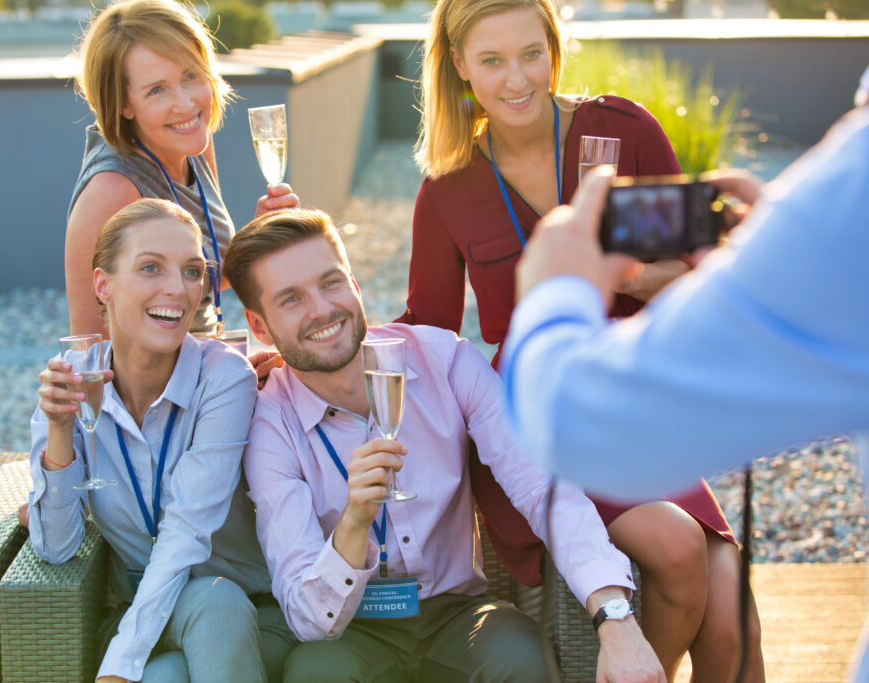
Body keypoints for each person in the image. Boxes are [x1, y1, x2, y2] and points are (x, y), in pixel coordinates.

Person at [396, 0, 761, 678]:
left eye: (531, 54)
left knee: (732, 614)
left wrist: (625, 271)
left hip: (633, 395)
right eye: (493, 61)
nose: (517, 81)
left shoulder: (620, 133)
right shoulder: (449, 187)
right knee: (680, 552)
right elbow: (428, 337)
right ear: (459, 66)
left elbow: (697, 274)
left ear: (554, 47)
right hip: (537, 414)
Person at [501, 102, 869, 679]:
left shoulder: (854, 190)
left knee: (730, 616)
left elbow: (574, 423)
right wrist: (764, 273)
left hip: (593, 397)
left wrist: (556, 291)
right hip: (547, 429)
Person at [222, 208, 665, 682]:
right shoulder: (270, 424)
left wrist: (616, 619)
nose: (322, 309)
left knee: (524, 664)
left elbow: (544, 489)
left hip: (461, 614)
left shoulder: (445, 360)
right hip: (352, 629)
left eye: (331, 282)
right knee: (316, 674)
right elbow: (308, 619)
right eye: (291, 299)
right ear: (260, 326)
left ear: (353, 281)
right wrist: (353, 523)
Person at [29, 199, 295, 682]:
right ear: (102, 285)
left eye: (192, 271)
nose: (178, 288)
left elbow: (186, 531)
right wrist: (59, 429)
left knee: (179, 656)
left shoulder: (222, 379)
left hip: (254, 614)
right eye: (151, 267)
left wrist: (117, 669)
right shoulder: (69, 387)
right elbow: (58, 547)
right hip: (141, 612)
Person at [66, 0, 298, 339]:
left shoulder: (192, 143)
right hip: (157, 386)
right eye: (157, 89)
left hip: (210, 358)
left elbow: (207, 275)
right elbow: (89, 344)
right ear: (123, 104)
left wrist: (259, 236)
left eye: (190, 75)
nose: (186, 103)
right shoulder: (112, 190)